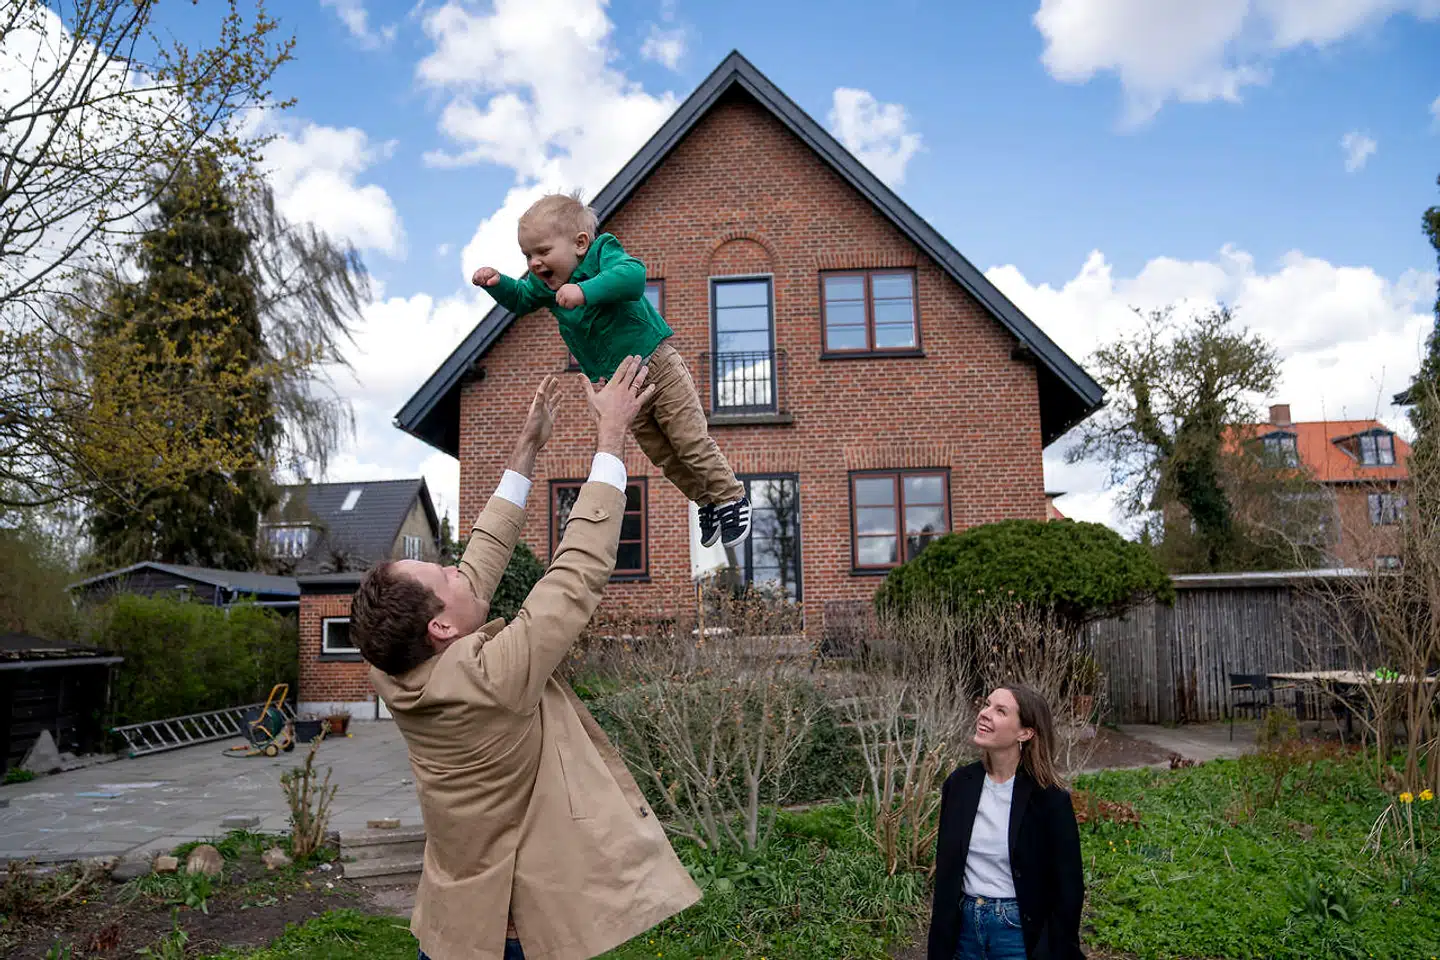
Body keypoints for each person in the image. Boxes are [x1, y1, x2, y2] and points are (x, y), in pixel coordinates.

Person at [349, 358, 702, 960]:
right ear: (440, 625)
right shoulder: (490, 679)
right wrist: (611, 439)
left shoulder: (392, 667)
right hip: (515, 937)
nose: (460, 567)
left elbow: (480, 562)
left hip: (453, 930)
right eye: (444, 572)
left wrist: (525, 452)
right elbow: (575, 576)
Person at [470, 192, 751, 550]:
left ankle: (731, 497)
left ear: (580, 243)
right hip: (623, 391)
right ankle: (706, 499)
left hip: (658, 366)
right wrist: (498, 284)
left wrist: (585, 291)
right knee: (664, 455)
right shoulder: (545, 286)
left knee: (689, 441)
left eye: (542, 251)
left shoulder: (604, 252)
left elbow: (633, 277)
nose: (535, 262)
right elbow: (522, 298)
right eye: (527, 255)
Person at [927, 684, 1085, 960]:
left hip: (1017, 933)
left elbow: (1068, 887)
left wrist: (1054, 947)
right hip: (964, 929)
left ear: (1025, 733)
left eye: (1000, 711)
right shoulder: (959, 785)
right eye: (986, 705)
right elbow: (947, 873)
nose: (984, 714)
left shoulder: (1048, 798)